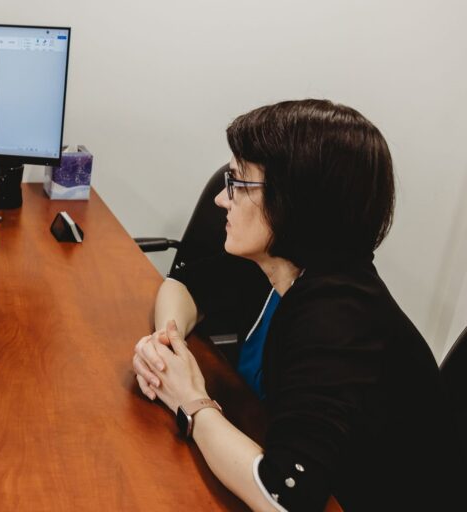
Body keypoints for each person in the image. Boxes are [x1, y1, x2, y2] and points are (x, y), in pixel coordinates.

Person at [132, 99, 464, 510]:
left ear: (292, 201)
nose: (222, 199)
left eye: (237, 183)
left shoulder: (338, 318)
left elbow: (285, 497)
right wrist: (170, 345)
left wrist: (191, 402)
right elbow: (184, 286)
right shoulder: (282, 264)